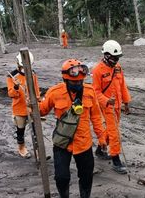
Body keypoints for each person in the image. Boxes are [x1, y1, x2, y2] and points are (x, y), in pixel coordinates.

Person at [39, 59, 106, 198]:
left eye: (81, 81)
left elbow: (96, 117)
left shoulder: (90, 91)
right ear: (65, 80)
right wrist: (33, 104)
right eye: (75, 82)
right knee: (61, 178)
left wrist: (101, 137)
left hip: (84, 143)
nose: (78, 84)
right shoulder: (54, 92)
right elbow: (41, 111)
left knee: (86, 177)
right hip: (62, 143)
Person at [92, 40, 131, 174]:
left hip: (118, 106)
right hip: (107, 107)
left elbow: (123, 86)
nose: (116, 60)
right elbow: (95, 92)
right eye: (115, 57)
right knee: (114, 134)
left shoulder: (118, 68)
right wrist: (107, 101)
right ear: (107, 55)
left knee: (109, 130)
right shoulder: (98, 70)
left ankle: (99, 150)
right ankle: (116, 161)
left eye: (118, 57)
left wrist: (126, 103)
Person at [6, 51, 40, 158]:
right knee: (20, 129)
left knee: (36, 130)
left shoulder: (33, 74)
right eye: (22, 66)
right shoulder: (12, 76)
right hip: (19, 108)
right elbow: (11, 94)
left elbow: (36, 90)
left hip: (32, 107)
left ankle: (39, 151)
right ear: (18, 64)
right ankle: (21, 148)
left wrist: (37, 102)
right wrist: (16, 87)